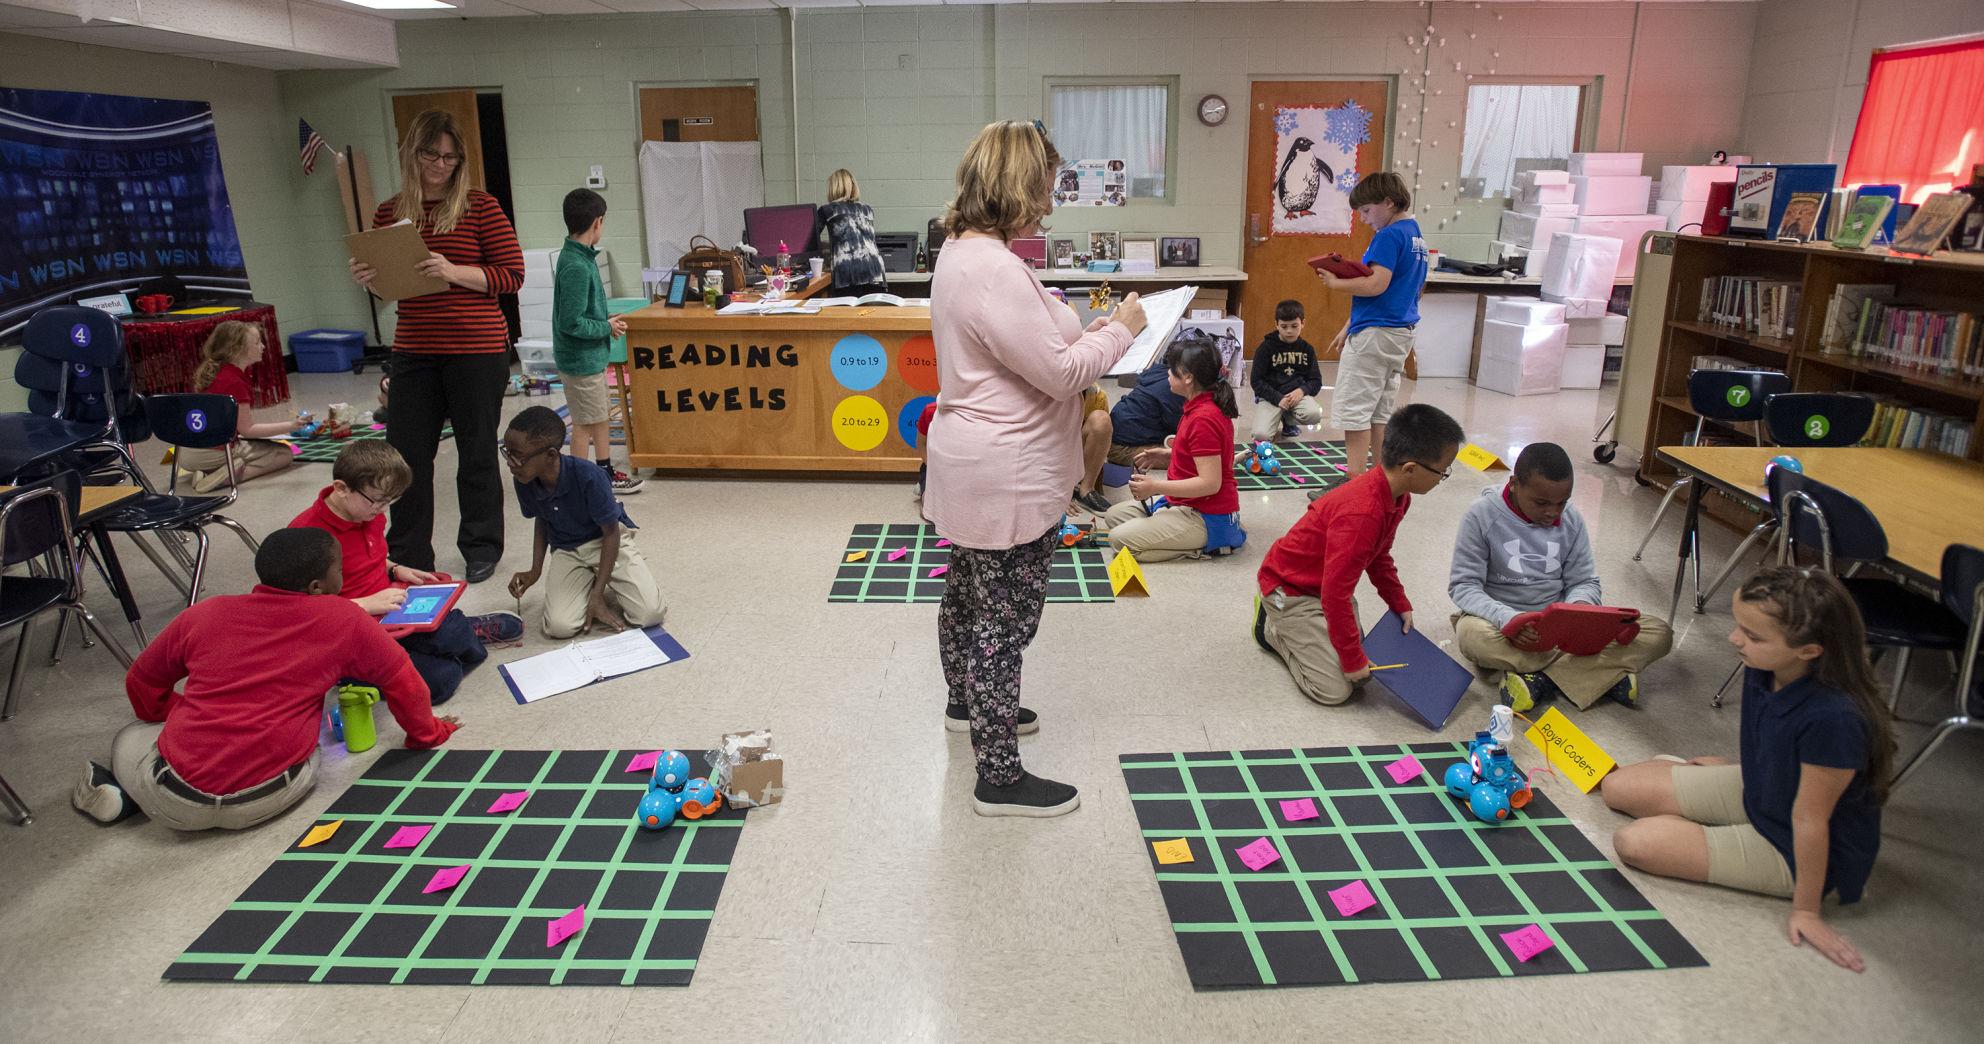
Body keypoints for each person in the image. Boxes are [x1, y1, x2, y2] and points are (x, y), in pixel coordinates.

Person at [927, 119, 1146, 818]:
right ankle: (998, 776)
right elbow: (1060, 375)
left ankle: (968, 706)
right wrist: (1124, 330)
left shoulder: (965, 251)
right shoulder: (991, 267)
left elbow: (1032, 336)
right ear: (1018, 183)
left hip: (977, 463)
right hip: (1008, 471)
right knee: (1004, 622)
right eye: (1047, 184)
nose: (1052, 199)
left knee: (968, 595)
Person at [1602, 567, 1892, 973]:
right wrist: (1741, 765)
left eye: (1753, 635)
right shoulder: (1765, 664)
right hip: (1765, 788)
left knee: (1635, 843)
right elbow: (1772, 731)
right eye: (1740, 626)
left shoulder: (1834, 719)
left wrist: (1806, 912)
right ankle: (1700, 820)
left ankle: (1705, 831)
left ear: (1808, 650)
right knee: (1617, 788)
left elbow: (1811, 819)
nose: (1735, 639)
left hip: (1797, 844)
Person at [71, 528, 460, 829]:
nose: (344, 574)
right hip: (278, 791)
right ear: (317, 587)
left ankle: (121, 795)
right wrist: (429, 734)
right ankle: (128, 793)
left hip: (178, 802)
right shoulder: (344, 619)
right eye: (339, 569)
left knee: (132, 734)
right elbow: (406, 683)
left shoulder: (205, 613)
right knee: (308, 735)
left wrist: (179, 713)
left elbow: (142, 683)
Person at [350, 108, 524, 584]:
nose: (441, 165)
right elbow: (391, 288)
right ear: (413, 153)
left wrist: (452, 271)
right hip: (414, 348)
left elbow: (512, 276)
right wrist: (371, 279)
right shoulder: (389, 212)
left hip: (477, 348)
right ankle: (408, 554)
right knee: (405, 458)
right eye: (432, 154)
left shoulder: (481, 207)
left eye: (450, 157)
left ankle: (482, 546)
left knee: (476, 454)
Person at [1253, 404, 1463, 706]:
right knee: (1335, 690)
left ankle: (1310, 635)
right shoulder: (1362, 513)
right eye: (1442, 471)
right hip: (1288, 590)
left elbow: (1379, 556)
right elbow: (1336, 595)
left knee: (1364, 671)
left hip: (1323, 587)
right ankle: (1272, 628)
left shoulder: (1397, 496)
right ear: (1410, 469)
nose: (1442, 477)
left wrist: (1398, 602)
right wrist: (1351, 661)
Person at [291, 440, 524, 705]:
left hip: (392, 613)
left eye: (391, 500)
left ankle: (444, 637)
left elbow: (368, 554)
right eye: (378, 501)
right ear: (342, 488)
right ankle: (352, 676)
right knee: (441, 680)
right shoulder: (306, 537)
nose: (383, 510)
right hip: (351, 634)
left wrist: (395, 568)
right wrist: (365, 604)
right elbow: (298, 611)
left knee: (459, 636)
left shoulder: (366, 512)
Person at [1449, 442, 1674, 711]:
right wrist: (1508, 618)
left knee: (1659, 633)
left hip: (1562, 626)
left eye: (1561, 502)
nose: (1553, 512)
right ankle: (1601, 675)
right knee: (1472, 637)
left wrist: (1580, 613)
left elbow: (1584, 582)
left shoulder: (1571, 519)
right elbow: (1464, 586)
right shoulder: (1481, 515)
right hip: (1504, 624)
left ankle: (1538, 680)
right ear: (1514, 484)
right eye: (1541, 503)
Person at [503, 406, 666, 639]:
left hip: (605, 541)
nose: (510, 462)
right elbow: (542, 519)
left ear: (550, 455)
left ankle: (601, 581)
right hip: (567, 549)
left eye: (517, 455)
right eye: (507, 452)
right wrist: (535, 570)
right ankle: (589, 580)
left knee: (650, 614)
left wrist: (598, 595)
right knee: (559, 627)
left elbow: (611, 533)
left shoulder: (589, 476)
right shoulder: (524, 479)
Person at [1314, 171, 1428, 477]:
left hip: (1376, 335)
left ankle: (1354, 483)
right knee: (1379, 412)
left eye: (1366, 210)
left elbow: (1377, 284)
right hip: (1398, 334)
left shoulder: (1389, 236)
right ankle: (1379, 478)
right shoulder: (1415, 234)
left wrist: (1336, 283)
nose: (1364, 219)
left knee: (1355, 412)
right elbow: (1406, 289)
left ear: (1389, 202)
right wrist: (1350, 324)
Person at [1101, 338, 1241, 561]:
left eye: (1172, 370)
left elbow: (1210, 483)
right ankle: (1167, 524)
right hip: (1181, 503)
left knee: (1119, 539)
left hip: (1205, 516)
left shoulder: (1203, 418)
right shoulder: (1197, 405)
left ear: (1188, 378)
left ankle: (1204, 546)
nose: (1167, 374)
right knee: (1114, 516)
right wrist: (1169, 454)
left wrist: (1155, 486)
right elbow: (1202, 455)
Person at [555, 187, 642, 493]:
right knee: (583, 424)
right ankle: (578, 485)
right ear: (596, 223)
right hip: (580, 361)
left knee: (599, 415)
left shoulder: (582, 257)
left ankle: (604, 470)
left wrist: (605, 324)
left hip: (591, 358)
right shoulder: (576, 265)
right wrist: (604, 328)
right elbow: (572, 322)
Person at [179, 320, 297, 493]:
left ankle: (210, 470)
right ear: (237, 350)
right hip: (211, 452)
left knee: (260, 447)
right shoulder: (234, 381)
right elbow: (247, 430)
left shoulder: (215, 372)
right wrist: (291, 426)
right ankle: (223, 477)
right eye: (257, 343)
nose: (263, 346)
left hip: (187, 451)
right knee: (284, 454)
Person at [1105, 335, 1197, 469]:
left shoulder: (1158, 370)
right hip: (1124, 448)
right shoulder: (1174, 388)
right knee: (1194, 460)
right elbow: (1181, 427)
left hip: (1116, 435)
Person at [1247, 299, 1324, 443]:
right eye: (1284, 326)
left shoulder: (1307, 349)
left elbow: (1316, 380)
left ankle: (1288, 421)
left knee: (1314, 415)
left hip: (1296, 396)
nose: (1289, 331)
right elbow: (1256, 381)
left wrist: (1301, 391)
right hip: (1271, 397)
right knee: (1261, 436)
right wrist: (1277, 399)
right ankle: (1275, 418)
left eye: (1294, 326)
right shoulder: (1265, 348)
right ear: (1276, 325)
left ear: (1303, 323)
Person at [816, 169, 888, 297]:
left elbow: (810, 240)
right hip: (875, 271)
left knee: (845, 316)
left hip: (847, 272)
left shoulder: (827, 210)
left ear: (833, 188)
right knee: (873, 314)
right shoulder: (867, 210)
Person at [1073, 383, 1113, 514]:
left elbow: (1100, 441)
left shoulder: (1096, 394)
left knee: (1101, 419)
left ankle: (1086, 489)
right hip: (1045, 451)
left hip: (1074, 449)